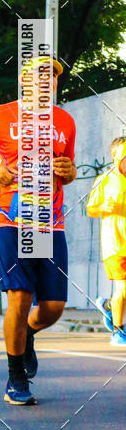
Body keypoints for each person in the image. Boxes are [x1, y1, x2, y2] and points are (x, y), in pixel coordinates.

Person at [0, 57, 76, 405]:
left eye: (52, 75)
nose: (47, 80)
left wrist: (69, 169)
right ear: (24, 79)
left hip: (50, 220)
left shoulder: (64, 120)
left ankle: (28, 334)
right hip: (9, 216)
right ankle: (16, 377)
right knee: (19, 296)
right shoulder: (0, 115)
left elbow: (69, 169)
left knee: (53, 307)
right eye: (40, 74)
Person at [87, 136, 126, 346]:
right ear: (116, 157)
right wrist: (104, 207)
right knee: (123, 287)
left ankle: (110, 307)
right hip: (114, 244)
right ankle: (119, 333)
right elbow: (90, 208)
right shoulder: (104, 180)